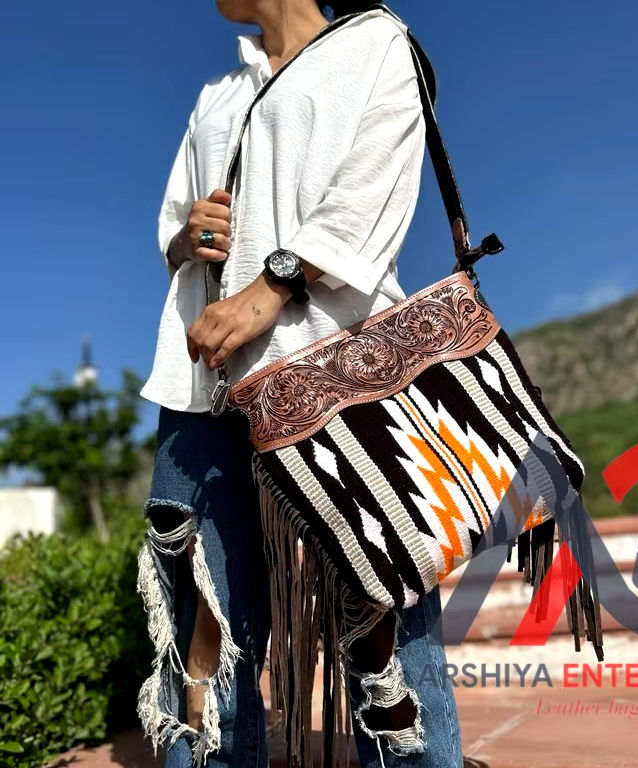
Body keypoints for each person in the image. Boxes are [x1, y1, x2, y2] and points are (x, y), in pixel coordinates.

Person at [136, 1, 464, 767]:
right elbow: (174, 228)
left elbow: (372, 192)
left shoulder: (375, 41)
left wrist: (270, 285)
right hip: (205, 379)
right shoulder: (218, 91)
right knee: (202, 606)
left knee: (382, 600)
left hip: (338, 365)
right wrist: (189, 236)